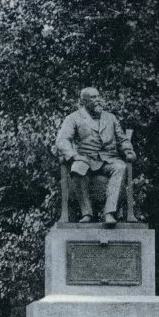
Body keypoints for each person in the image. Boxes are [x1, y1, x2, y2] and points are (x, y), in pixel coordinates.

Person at [55, 87, 136, 227]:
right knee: (77, 168)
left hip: (108, 159)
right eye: (93, 98)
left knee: (120, 166)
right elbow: (62, 140)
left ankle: (109, 212)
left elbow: (122, 140)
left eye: (98, 97)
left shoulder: (111, 118)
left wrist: (128, 150)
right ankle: (86, 213)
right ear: (83, 101)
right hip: (85, 158)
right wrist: (74, 155)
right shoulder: (73, 118)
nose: (98, 100)